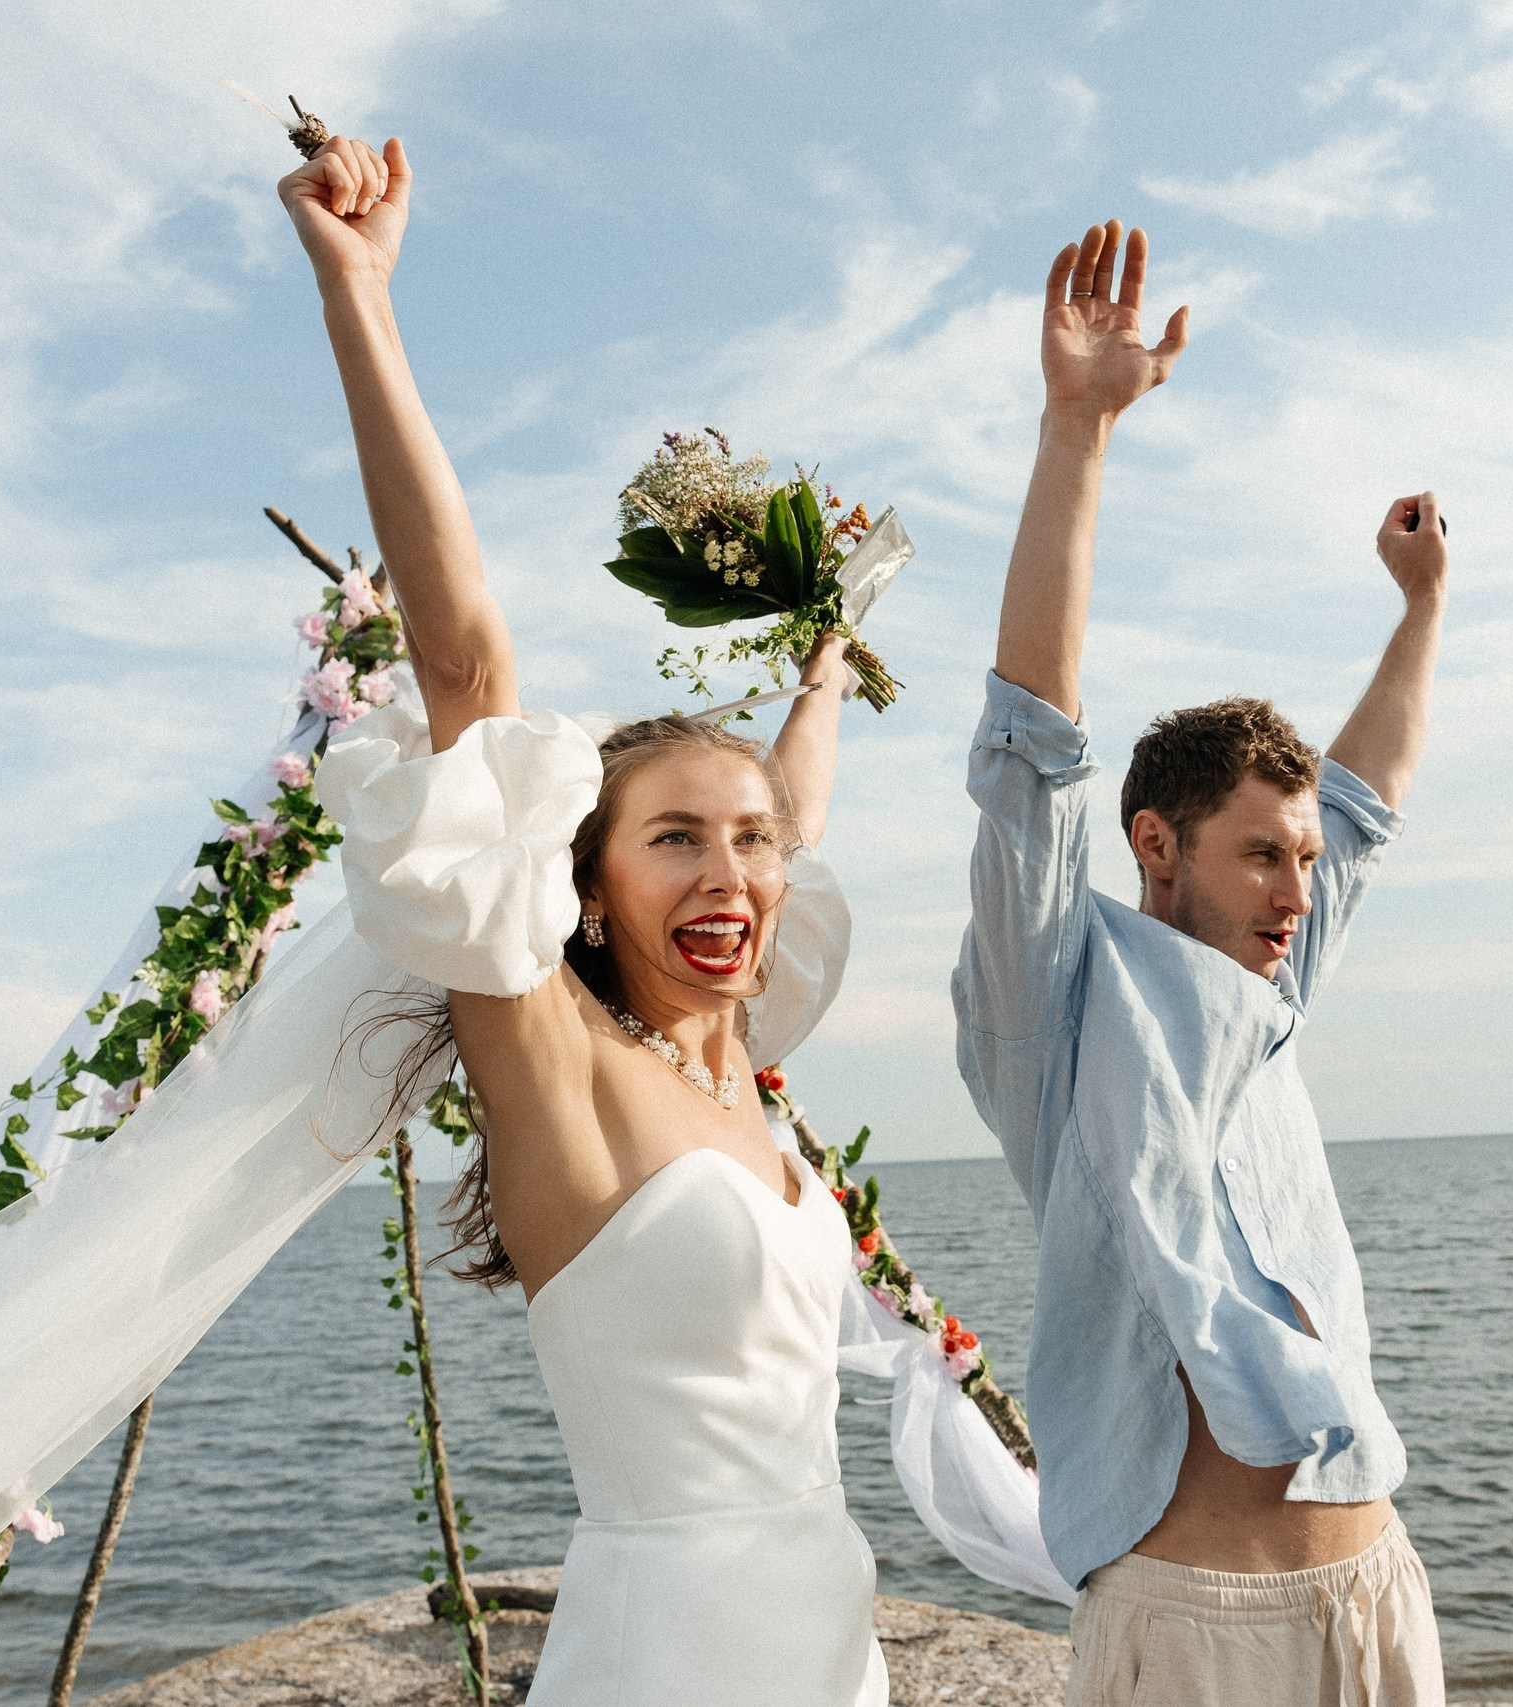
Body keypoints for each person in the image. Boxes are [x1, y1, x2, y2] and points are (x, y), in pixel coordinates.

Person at [281, 133, 885, 1705]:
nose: (733, 877)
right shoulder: (551, 1057)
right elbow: (469, 673)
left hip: (831, 1639)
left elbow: (792, 810)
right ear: (587, 887)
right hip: (671, 1656)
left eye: (746, 847)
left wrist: (826, 660)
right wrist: (364, 298)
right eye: (672, 840)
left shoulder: (738, 1061)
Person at [953, 219, 1452, 1707]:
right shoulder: (1062, 1003)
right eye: (1260, 855)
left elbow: (1363, 803)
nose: (1298, 887)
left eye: (1300, 862)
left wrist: (1422, 611)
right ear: (1155, 846)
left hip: (1372, 1591)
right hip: (1191, 1632)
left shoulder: (1272, 992)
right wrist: (1079, 430)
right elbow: (1029, 746)